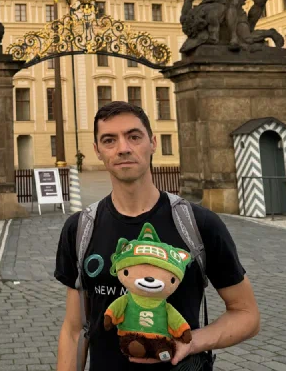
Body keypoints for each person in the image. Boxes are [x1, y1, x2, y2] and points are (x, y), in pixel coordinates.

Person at [55, 101, 260, 370]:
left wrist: (193, 342)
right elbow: (74, 330)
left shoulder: (198, 224)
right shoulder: (80, 228)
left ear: (152, 142)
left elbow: (246, 314)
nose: (123, 148)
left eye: (134, 136)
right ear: (97, 151)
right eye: (109, 140)